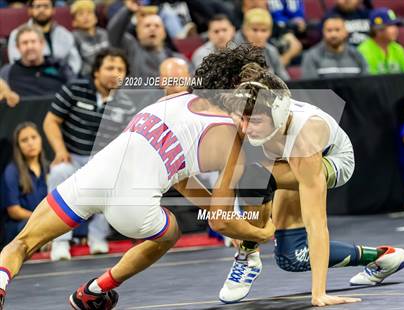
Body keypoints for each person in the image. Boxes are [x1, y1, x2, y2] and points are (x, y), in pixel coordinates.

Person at [0, 44, 276, 309]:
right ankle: (94, 291)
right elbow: (220, 219)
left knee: (21, 243)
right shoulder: (231, 137)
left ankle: (1, 282)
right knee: (169, 232)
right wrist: (260, 234)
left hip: (92, 178)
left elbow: (181, 178)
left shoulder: (170, 98)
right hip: (132, 204)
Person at [217, 63, 404, 307]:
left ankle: (247, 255)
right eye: (242, 119)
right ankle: (383, 257)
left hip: (334, 161)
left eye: (253, 121)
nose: (245, 128)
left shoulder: (305, 141)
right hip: (283, 159)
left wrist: (319, 293)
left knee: (256, 178)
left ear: (275, 116)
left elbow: (317, 224)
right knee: (292, 258)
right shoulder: (253, 114)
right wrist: (239, 219)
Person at [42, 48, 136, 261]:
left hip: (100, 161)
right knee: (59, 172)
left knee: (117, 178)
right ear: (96, 72)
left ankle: (97, 237)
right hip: (72, 156)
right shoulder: (75, 89)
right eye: (110, 68)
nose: (115, 73)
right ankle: (60, 241)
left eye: (120, 69)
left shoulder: (127, 103)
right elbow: (50, 121)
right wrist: (60, 150)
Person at [107, 0, 186, 81]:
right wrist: (128, 10)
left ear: (164, 33)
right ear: (138, 31)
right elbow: (113, 34)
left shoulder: (178, 59)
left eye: (157, 26)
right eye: (147, 26)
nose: (152, 29)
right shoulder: (130, 49)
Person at [0, 123, 47, 243]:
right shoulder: (12, 171)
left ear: (40, 139)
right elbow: (14, 211)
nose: (30, 143)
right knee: (27, 227)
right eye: (24, 140)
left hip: (47, 222)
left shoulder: (49, 168)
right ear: (18, 146)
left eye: (34, 137)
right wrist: (41, 219)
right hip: (21, 225)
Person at [8, 0, 81, 74]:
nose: (41, 10)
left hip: (63, 79)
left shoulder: (65, 34)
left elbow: (74, 61)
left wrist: (67, 77)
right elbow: (15, 62)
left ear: (53, 10)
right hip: (29, 79)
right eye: (37, 6)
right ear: (30, 10)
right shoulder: (17, 34)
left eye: (46, 6)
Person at [0, 25, 74, 97]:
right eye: (25, 43)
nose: (30, 47)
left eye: (33, 41)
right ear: (17, 47)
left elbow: (75, 92)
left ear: (42, 44)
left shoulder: (60, 66)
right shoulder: (7, 71)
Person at [302, 15, 367, 79]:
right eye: (329, 30)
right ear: (323, 32)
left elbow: (366, 83)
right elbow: (310, 87)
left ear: (346, 32)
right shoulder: (312, 56)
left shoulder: (357, 55)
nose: (333, 34)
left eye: (337, 30)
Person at [234, 8, 289, 80]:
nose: (259, 35)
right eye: (255, 29)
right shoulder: (234, 51)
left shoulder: (272, 51)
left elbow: (285, 80)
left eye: (264, 30)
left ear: (270, 32)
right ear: (245, 30)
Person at [358, 8, 404, 74]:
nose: (395, 29)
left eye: (395, 25)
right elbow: (369, 80)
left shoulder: (398, 48)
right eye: (390, 25)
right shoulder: (364, 50)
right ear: (378, 30)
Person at [71, 0, 110, 77]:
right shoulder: (73, 38)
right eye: (81, 14)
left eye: (89, 13)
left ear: (95, 18)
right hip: (89, 76)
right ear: (74, 22)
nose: (86, 17)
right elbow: (77, 64)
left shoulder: (104, 33)